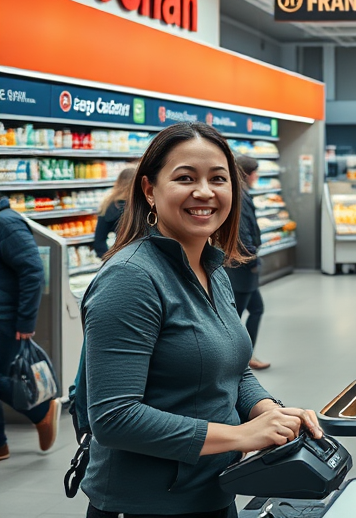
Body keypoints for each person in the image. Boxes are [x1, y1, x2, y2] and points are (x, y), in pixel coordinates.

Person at [79, 123, 322, 517]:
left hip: (212, 491)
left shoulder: (212, 266)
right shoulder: (131, 278)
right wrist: (241, 436)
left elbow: (232, 370)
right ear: (149, 190)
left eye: (218, 179)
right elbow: (114, 417)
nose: (205, 192)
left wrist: (266, 410)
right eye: (185, 178)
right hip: (146, 505)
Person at [0, 194, 60, 462]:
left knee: (11, 376)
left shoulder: (7, 222)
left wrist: (25, 320)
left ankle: (41, 411)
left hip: (6, 320)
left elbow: (33, 270)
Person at [226, 155, 269, 370]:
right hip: (241, 266)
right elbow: (242, 234)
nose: (257, 177)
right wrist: (251, 261)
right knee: (235, 317)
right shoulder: (240, 196)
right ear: (248, 174)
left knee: (256, 309)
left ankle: (245, 356)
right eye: (255, 172)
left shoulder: (240, 193)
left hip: (242, 265)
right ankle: (236, 359)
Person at [92, 167, 135, 257]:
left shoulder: (108, 204)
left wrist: (109, 259)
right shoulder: (139, 204)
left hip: (120, 255)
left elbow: (99, 240)